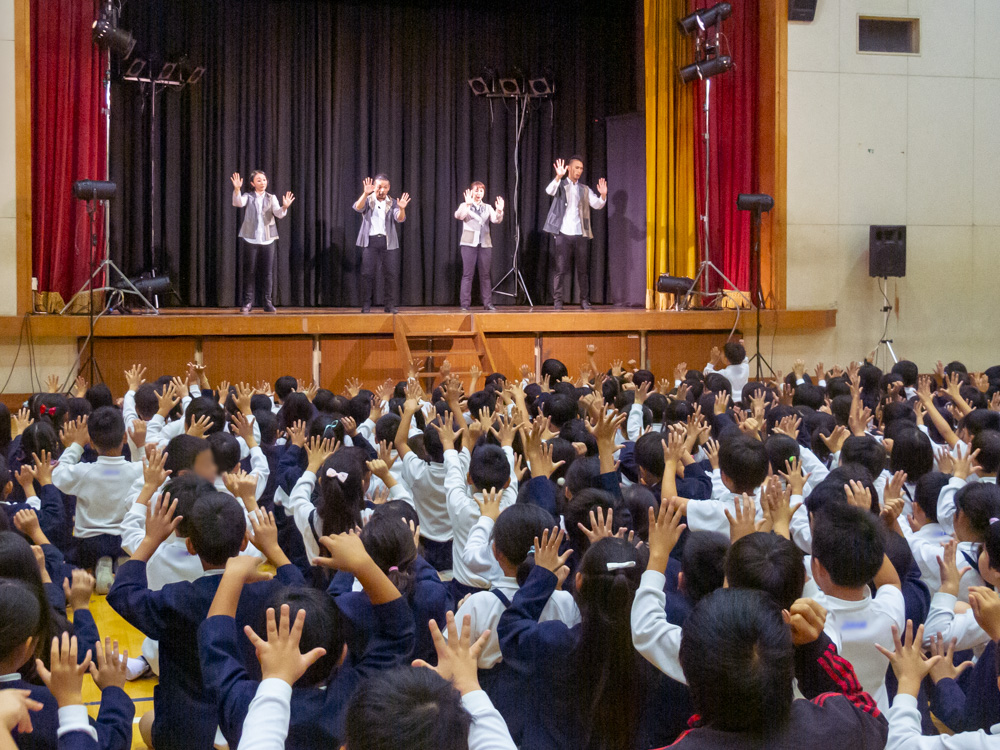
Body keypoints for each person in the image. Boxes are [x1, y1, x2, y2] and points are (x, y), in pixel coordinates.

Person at [542, 157, 607, 310]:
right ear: (569, 169)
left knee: (583, 270)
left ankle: (584, 301)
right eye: (577, 168)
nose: (579, 171)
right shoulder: (561, 184)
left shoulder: (584, 189)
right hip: (563, 232)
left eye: (581, 169)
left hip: (579, 234)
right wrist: (558, 176)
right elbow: (549, 190)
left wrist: (603, 195)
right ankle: (558, 302)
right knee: (560, 269)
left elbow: (597, 204)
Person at [230, 171, 295, 314]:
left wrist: (284, 207)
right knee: (249, 272)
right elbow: (238, 202)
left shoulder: (272, 198)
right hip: (250, 238)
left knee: (267, 273)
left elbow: (278, 214)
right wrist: (237, 189)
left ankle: (267, 302)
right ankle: (247, 303)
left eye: (264, 180)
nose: (263, 182)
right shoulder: (248, 196)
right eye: (259, 180)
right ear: (252, 184)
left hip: (268, 240)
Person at [353, 175, 411, 314]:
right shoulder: (368, 199)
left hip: (387, 242)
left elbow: (400, 218)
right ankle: (366, 306)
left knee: (390, 274)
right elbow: (357, 207)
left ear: (388, 188)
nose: (381, 190)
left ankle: (389, 306)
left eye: (385, 187)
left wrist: (402, 209)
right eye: (379, 186)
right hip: (370, 241)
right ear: (374, 186)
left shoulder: (392, 202)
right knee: (367, 274)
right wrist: (366, 193)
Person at [454, 183, 504, 311]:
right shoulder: (464, 205)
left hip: (485, 244)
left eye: (481, 191)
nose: (478, 193)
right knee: (467, 275)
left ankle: (488, 304)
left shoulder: (487, 207)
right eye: (476, 191)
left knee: (485, 275)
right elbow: (459, 215)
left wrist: (499, 210)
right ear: (471, 192)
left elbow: (496, 220)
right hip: (468, 244)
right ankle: (465, 304)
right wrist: (467, 205)